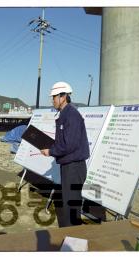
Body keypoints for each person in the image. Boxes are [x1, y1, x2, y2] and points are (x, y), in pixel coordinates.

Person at [40, 81, 90, 227]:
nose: (52, 100)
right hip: (69, 166)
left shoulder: (72, 115)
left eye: (54, 97)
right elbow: (65, 141)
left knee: (72, 203)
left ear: (63, 97)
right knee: (69, 202)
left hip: (74, 167)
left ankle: (73, 237)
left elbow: (70, 145)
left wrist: (50, 151)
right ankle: (71, 233)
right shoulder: (65, 114)